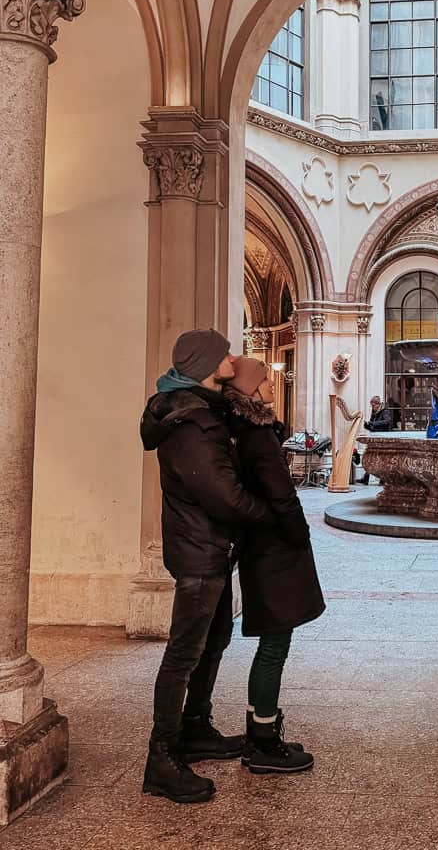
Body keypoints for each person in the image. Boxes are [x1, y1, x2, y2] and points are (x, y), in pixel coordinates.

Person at [140, 328, 277, 804]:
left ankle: (195, 728)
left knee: (213, 640)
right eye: (224, 352)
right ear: (205, 365)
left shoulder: (202, 411)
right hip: (201, 550)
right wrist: (269, 515)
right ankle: (161, 759)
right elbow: (221, 494)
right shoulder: (191, 422)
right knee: (184, 653)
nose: (233, 357)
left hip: (211, 549)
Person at [224, 358, 325, 774]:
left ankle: (260, 729)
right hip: (274, 549)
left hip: (261, 547)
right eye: (263, 381)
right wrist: (298, 532)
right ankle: (263, 742)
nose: (270, 384)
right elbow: (281, 494)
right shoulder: (259, 435)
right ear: (248, 391)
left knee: (273, 641)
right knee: (274, 644)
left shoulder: (246, 430)